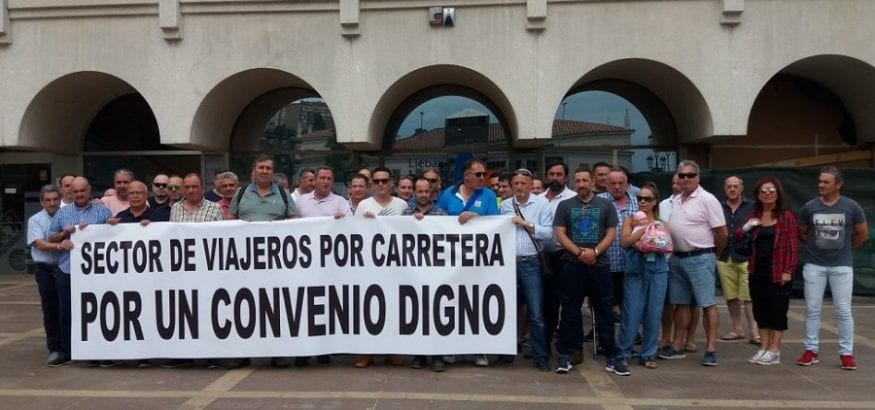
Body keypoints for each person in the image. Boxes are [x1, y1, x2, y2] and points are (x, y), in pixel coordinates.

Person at [553, 167, 625, 376]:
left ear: (592, 181)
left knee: (604, 312)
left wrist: (594, 252)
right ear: (573, 183)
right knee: (569, 312)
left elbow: (612, 233)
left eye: (585, 180)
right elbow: (560, 233)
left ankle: (612, 356)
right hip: (572, 265)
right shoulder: (565, 205)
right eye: (578, 181)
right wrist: (578, 253)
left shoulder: (605, 205)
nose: (582, 184)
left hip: (599, 266)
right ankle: (565, 354)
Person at [797, 166, 868, 370]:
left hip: (842, 267)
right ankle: (811, 350)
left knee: (844, 310)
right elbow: (801, 232)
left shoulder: (851, 206)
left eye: (826, 182)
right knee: (812, 309)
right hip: (814, 266)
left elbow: (862, 234)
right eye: (820, 181)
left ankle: (846, 353)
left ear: (838, 184)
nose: (821, 185)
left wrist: (845, 250)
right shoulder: (810, 206)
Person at [230, 155, 296, 369]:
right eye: (261, 167)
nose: (265, 171)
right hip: (245, 263)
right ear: (254, 170)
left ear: (273, 172)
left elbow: (295, 224)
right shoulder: (240, 194)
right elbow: (229, 224)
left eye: (269, 168)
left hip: (276, 265)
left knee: (276, 308)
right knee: (244, 309)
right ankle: (243, 353)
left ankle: (277, 353)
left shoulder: (284, 195)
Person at [659, 160, 727, 366]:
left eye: (690, 175)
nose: (685, 179)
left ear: (698, 177)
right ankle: (677, 344)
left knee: (707, 303)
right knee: (680, 303)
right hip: (678, 258)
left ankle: (711, 348)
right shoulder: (677, 200)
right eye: (682, 175)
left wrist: (714, 254)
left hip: (700, 257)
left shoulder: (707, 200)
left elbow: (722, 232)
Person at [435, 158, 498, 367]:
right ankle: (454, 348)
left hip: (478, 261)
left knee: (476, 305)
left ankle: (479, 350)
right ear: (466, 175)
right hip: (451, 262)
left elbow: (495, 225)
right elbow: (436, 221)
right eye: (478, 174)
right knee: (453, 304)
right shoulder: (448, 195)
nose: (483, 178)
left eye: (484, 174)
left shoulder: (488, 195)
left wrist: (476, 216)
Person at [48, 177, 112, 366]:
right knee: (67, 313)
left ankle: (98, 350)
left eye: (82, 191)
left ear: (89, 190)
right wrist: (62, 236)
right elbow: (51, 237)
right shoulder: (63, 213)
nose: (79, 194)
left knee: (97, 312)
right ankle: (70, 352)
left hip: (96, 272)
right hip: (68, 270)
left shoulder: (103, 210)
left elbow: (114, 235)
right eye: (75, 191)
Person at [735, 177, 797, 365]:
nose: (768, 194)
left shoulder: (786, 217)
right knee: (760, 311)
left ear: (778, 194)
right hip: (756, 270)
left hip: (779, 271)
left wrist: (788, 271)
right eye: (764, 191)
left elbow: (793, 247)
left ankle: (775, 349)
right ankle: (764, 347)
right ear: (758, 195)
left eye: (771, 191)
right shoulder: (754, 214)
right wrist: (748, 226)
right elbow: (737, 236)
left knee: (777, 311)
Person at [352, 166, 407, 369]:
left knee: (393, 309)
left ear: (391, 182)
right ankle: (367, 352)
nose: (381, 184)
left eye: (385, 181)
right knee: (368, 310)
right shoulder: (363, 205)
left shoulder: (402, 205)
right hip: (369, 267)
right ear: (371, 184)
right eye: (377, 181)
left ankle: (392, 351)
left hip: (395, 266)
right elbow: (352, 233)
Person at [295, 166, 351, 366]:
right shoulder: (300, 202)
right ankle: (303, 352)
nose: (326, 181)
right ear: (315, 180)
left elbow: (351, 230)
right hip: (305, 266)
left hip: (330, 267)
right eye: (322, 178)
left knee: (325, 307)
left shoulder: (341, 203)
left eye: (329, 178)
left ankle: (324, 350)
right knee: (304, 307)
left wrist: (340, 222)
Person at [498, 168, 553, 371]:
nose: (520, 187)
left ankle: (541, 356)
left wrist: (526, 224)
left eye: (524, 184)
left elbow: (548, 233)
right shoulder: (505, 205)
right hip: (509, 263)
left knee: (536, 312)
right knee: (508, 310)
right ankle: (506, 354)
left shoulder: (542, 204)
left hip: (531, 262)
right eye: (516, 184)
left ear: (531, 185)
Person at [617, 182, 670, 372]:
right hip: (635, 270)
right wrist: (642, 233)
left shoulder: (661, 223)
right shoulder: (631, 220)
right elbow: (624, 241)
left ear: (655, 202)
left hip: (657, 269)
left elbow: (666, 245)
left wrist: (649, 240)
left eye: (647, 199)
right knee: (631, 313)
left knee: (653, 314)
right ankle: (624, 352)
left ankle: (648, 354)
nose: (642, 202)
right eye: (640, 198)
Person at [404, 176, 449, 372]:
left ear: (431, 193)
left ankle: (437, 356)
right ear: (414, 193)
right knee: (416, 314)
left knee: (436, 313)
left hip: (435, 273)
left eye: (426, 191)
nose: (423, 195)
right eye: (419, 191)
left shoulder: (441, 214)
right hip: (412, 274)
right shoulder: (405, 214)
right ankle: (419, 355)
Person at [539, 160, 578, 364]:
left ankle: (570, 346)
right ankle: (545, 348)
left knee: (570, 304)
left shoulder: (573, 199)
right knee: (548, 305)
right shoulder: (538, 199)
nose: (555, 178)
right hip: (544, 259)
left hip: (567, 256)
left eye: (559, 174)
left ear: (565, 176)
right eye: (551, 174)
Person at [658, 173, 700, 355]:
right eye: (674, 183)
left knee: (692, 302)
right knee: (667, 303)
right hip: (667, 260)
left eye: (680, 182)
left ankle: (688, 339)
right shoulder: (663, 205)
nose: (676, 186)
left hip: (690, 258)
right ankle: (666, 337)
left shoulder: (699, 203)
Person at [26, 185, 65, 366]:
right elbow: (40, 244)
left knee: (67, 309)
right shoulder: (35, 220)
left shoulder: (67, 214)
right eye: (48, 200)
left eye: (55, 199)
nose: (52, 203)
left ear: (60, 199)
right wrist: (59, 246)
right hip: (46, 270)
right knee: (51, 310)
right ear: (42, 202)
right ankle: (55, 349)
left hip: (65, 269)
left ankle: (69, 347)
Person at [717, 176, 759, 344]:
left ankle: (754, 331)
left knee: (748, 296)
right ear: (725, 189)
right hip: (725, 256)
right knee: (731, 295)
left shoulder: (752, 207)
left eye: (735, 186)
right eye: (729, 186)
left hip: (747, 256)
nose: (732, 189)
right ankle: (737, 329)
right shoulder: (719, 207)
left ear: (741, 188)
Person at [597, 167, 638, 323]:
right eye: (613, 183)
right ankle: (601, 335)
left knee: (629, 304)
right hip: (606, 263)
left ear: (627, 184)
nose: (617, 187)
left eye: (621, 183)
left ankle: (631, 335)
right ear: (606, 184)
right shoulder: (598, 202)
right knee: (603, 304)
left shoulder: (638, 202)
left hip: (631, 264)